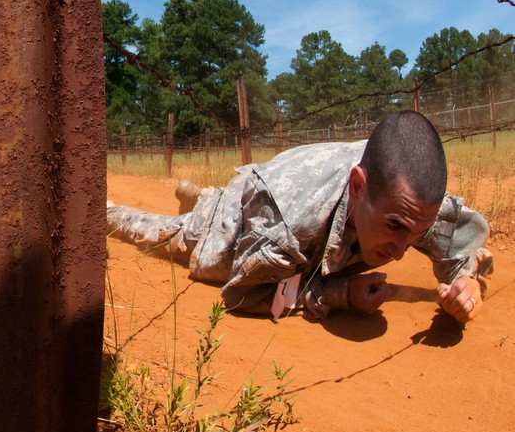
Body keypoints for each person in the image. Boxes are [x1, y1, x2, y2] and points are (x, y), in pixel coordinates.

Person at [107, 111, 493, 323]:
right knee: (150, 231)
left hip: (268, 196)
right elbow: (242, 293)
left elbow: (458, 239)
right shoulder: (288, 229)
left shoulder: (404, 197)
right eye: (395, 229)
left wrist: (466, 281)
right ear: (357, 187)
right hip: (232, 227)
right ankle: (163, 207)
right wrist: (339, 296)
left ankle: (200, 195)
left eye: (416, 233)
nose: (400, 253)